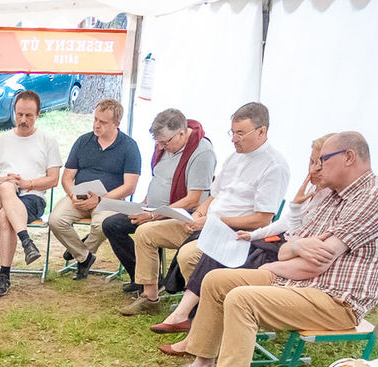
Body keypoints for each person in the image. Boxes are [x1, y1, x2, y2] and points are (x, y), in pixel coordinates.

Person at [165, 131, 378, 367]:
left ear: (348, 157)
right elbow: (287, 245)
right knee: (215, 280)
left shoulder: (374, 198)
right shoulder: (333, 195)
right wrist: (296, 248)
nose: (318, 167)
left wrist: (280, 261)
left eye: (323, 159)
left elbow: (313, 263)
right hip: (302, 284)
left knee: (241, 298)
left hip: (336, 301)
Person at [155, 135, 326, 347]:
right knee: (218, 252)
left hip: (284, 252)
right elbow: (286, 223)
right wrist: (252, 235)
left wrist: (260, 229)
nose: (313, 169)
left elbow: (290, 231)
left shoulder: (277, 166)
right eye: (311, 161)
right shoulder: (313, 189)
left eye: (320, 162)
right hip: (266, 239)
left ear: (261, 131)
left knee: (218, 259)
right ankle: (186, 318)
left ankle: (192, 329)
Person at [123, 102, 288, 319]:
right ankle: (150, 297)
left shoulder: (274, 166)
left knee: (188, 256)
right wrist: (200, 213)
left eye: (240, 133)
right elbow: (213, 195)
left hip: (234, 235)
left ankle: (204, 311)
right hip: (205, 224)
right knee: (146, 233)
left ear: (261, 131)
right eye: (232, 132)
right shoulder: (234, 157)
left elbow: (262, 220)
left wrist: (211, 221)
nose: (233, 139)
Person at [98, 108, 214, 294]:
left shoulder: (202, 153)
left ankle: (152, 284)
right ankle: (143, 278)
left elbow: (193, 199)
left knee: (143, 229)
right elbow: (158, 178)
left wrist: (153, 215)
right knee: (111, 224)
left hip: (181, 214)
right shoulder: (166, 144)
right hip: (152, 208)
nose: (160, 147)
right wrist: (143, 205)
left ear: (182, 133)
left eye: (164, 143)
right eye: (157, 142)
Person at [49, 98, 141, 279]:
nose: (97, 125)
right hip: (80, 196)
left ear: (116, 124)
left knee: (101, 225)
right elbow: (67, 177)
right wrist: (72, 194)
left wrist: (100, 199)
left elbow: (129, 186)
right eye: (95, 120)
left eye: (103, 122)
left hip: (110, 200)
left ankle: (81, 251)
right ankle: (84, 257)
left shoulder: (129, 147)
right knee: (55, 219)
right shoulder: (83, 141)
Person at [0, 90, 61, 297]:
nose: (23, 120)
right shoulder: (1, 141)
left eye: (28, 115)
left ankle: (4, 275)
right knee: (7, 188)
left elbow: (54, 179)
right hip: (1, 194)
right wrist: (5, 180)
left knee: (4, 216)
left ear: (38, 114)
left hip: (32, 197)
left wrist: (28, 183)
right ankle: (26, 241)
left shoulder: (47, 141)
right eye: (19, 114)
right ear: (14, 113)